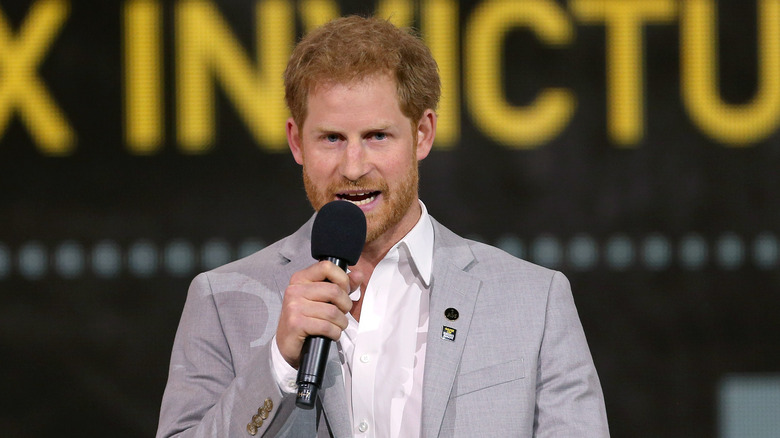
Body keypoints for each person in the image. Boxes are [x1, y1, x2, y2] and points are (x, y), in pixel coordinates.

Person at [157, 15, 609, 438]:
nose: (353, 167)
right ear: (297, 141)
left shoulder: (533, 300)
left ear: (422, 134)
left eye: (377, 136)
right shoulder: (222, 300)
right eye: (332, 138)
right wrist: (276, 365)